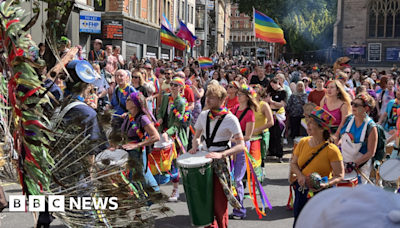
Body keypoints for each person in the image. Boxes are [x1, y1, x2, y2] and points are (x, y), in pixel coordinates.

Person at [188, 84, 245, 228]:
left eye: (212, 97)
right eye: (207, 96)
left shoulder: (231, 119)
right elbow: (196, 137)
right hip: (204, 161)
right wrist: (195, 147)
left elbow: (241, 145)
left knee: (219, 203)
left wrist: (222, 154)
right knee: (205, 200)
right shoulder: (203, 115)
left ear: (222, 100)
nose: (208, 100)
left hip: (220, 162)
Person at [290, 106, 344, 226]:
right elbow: (293, 164)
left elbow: (339, 175)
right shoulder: (303, 142)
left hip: (323, 193)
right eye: (308, 121)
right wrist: (300, 176)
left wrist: (326, 184)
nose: (307, 125)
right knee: (300, 220)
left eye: (312, 123)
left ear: (322, 129)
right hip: (302, 190)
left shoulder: (332, 150)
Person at [118, 92, 161, 192]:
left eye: (128, 99)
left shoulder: (143, 118)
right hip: (129, 152)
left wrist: (137, 145)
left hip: (138, 153)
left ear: (133, 103)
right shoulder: (129, 116)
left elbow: (156, 136)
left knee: (143, 177)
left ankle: (154, 197)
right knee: (136, 178)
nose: (125, 101)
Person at [157, 77, 189, 201]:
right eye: (172, 84)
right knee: (161, 160)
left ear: (180, 88)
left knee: (174, 162)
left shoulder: (181, 102)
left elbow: (178, 123)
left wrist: (168, 133)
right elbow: (160, 111)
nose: (173, 86)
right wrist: (159, 118)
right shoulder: (166, 97)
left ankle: (175, 189)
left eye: (176, 85)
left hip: (175, 136)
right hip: (163, 131)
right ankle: (157, 189)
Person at [229, 84, 258, 220]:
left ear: (247, 97)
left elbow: (248, 136)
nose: (238, 96)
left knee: (237, 179)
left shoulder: (250, 113)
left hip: (240, 147)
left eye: (240, 94)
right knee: (229, 178)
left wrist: (234, 139)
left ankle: (240, 210)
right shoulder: (234, 109)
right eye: (238, 94)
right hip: (231, 146)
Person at [338, 93, 378, 183]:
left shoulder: (371, 127)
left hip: (361, 166)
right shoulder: (347, 119)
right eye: (352, 103)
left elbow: (371, 152)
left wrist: (354, 164)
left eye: (357, 105)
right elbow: (339, 135)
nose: (353, 106)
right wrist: (339, 145)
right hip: (343, 162)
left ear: (366, 108)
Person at [252, 85, 274, 180]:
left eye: (255, 92)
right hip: (250, 136)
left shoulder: (263, 105)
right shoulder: (248, 105)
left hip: (261, 135)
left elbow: (271, 122)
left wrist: (258, 129)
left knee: (260, 157)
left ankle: (260, 175)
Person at [266, 78, 287, 163]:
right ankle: (272, 151)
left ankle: (279, 154)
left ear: (278, 83)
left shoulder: (283, 92)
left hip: (279, 115)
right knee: (271, 133)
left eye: (273, 85)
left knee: (279, 135)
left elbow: (282, 104)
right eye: (271, 85)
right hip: (271, 113)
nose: (273, 87)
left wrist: (272, 102)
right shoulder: (270, 92)